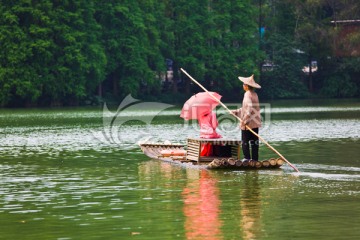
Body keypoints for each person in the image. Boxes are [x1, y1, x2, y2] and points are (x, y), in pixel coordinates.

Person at [232, 74, 261, 161]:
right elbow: (246, 108)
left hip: (248, 123)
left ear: (247, 86)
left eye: (244, 84)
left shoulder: (247, 94)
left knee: (245, 141)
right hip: (255, 123)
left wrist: (245, 120)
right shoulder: (254, 94)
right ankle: (255, 159)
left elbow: (249, 108)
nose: (243, 86)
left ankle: (247, 158)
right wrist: (236, 112)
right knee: (254, 142)